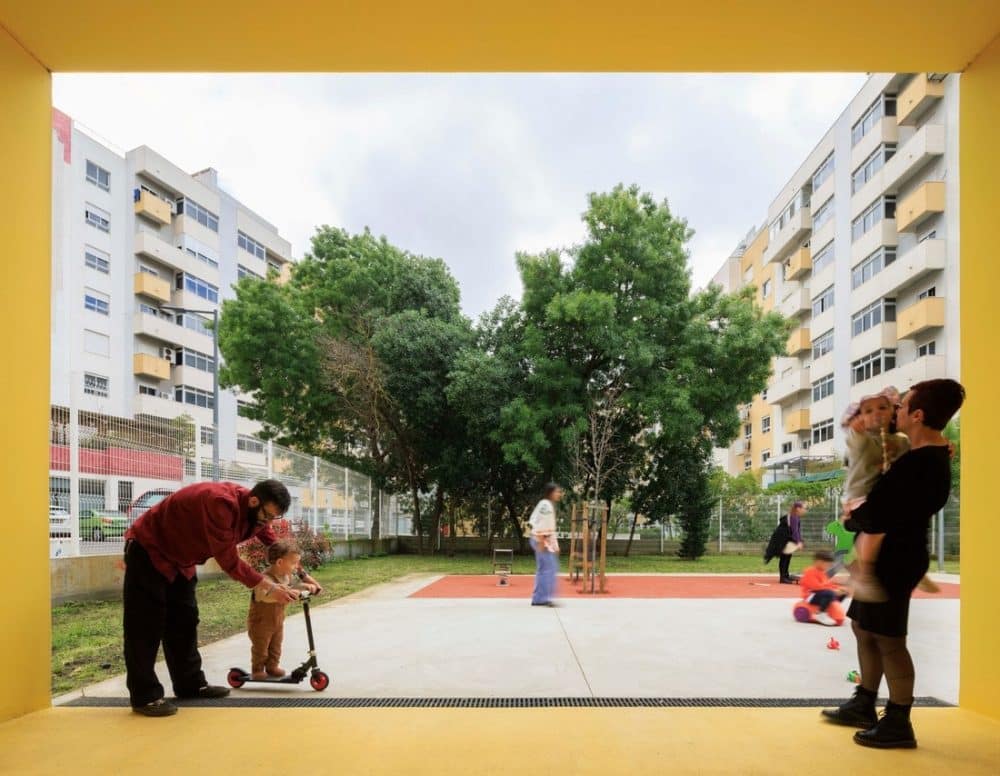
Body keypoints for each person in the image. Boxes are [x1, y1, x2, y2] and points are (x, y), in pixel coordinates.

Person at [821, 379, 964, 749]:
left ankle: (899, 720)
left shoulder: (923, 464)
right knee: (862, 627)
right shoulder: (916, 455)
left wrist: (852, 521)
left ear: (917, 415)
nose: (894, 410)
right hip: (886, 556)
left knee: (890, 640)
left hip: (896, 561)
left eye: (901, 407)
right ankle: (865, 701)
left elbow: (881, 513)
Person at [122, 479, 323, 716]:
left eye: (273, 518)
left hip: (181, 560)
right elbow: (229, 561)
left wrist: (303, 574)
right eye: (267, 516)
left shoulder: (256, 513)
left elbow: (275, 543)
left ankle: (190, 684)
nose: (267, 522)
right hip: (150, 549)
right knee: (146, 625)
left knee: (185, 621)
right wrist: (268, 586)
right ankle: (145, 696)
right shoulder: (220, 504)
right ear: (254, 501)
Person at [841, 387, 940, 602]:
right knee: (877, 527)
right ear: (860, 418)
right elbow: (855, 444)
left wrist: (943, 446)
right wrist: (856, 430)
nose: (876, 413)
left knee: (904, 525)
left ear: (893, 412)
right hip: (860, 496)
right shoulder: (863, 439)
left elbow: (916, 459)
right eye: (867, 411)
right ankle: (864, 573)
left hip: (882, 495)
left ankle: (916, 568)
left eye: (882, 408)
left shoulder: (901, 441)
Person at [247, 539, 319, 679]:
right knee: (261, 648)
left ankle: (272, 667)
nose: (296, 566)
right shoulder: (264, 579)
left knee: (276, 646)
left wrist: (305, 586)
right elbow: (264, 597)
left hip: (278, 620)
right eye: (293, 563)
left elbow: (293, 587)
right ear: (280, 562)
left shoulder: (286, 577)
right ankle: (257, 669)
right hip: (260, 622)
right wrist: (287, 594)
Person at [528, 482, 563, 607]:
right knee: (549, 569)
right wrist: (542, 541)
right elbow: (541, 524)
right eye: (557, 491)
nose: (559, 494)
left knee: (545, 569)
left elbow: (548, 528)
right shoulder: (546, 505)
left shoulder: (546, 505)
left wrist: (555, 546)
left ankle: (539, 598)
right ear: (551, 493)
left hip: (542, 540)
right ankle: (542, 598)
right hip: (540, 540)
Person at [799, 550, 848, 626]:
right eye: (828, 564)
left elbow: (828, 584)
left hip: (821, 593)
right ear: (819, 562)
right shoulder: (810, 572)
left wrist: (839, 589)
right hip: (810, 595)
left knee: (844, 593)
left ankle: (831, 608)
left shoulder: (822, 572)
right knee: (829, 593)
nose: (829, 567)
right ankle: (820, 614)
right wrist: (833, 591)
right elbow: (816, 587)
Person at [764, 501, 806, 583]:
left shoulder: (795, 516)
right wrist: (798, 542)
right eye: (804, 508)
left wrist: (799, 540)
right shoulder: (793, 517)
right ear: (798, 508)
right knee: (785, 557)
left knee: (787, 556)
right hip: (781, 539)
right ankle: (783, 578)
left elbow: (795, 531)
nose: (805, 510)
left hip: (786, 539)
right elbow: (795, 531)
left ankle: (786, 575)